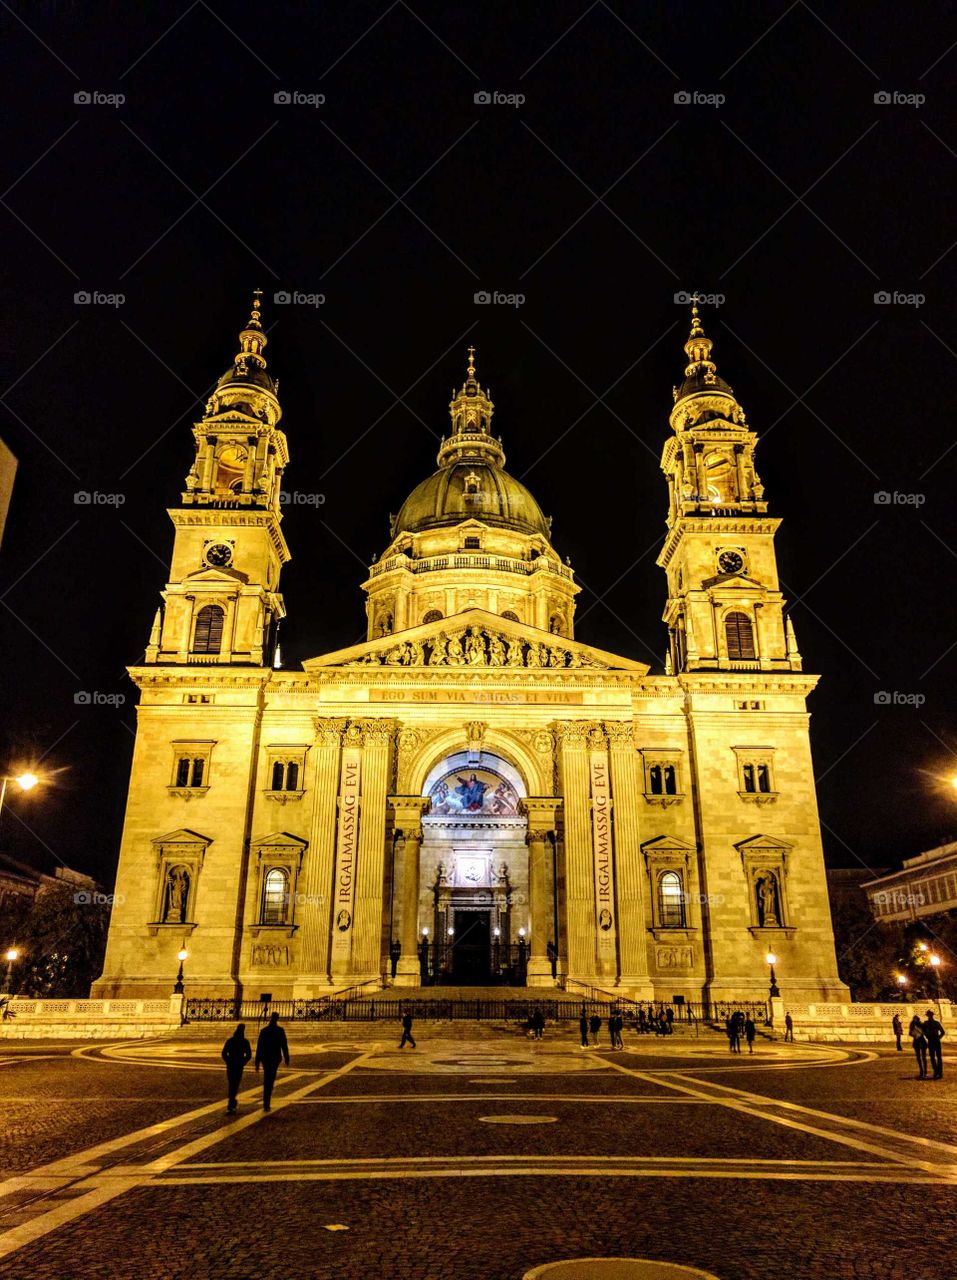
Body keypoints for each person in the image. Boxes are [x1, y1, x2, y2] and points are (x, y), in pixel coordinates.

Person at [255, 1012, 290, 1112]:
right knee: (271, 1078)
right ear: (277, 1019)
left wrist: (257, 1061)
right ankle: (267, 1102)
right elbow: (284, 1045)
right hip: (275, 1058)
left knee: (267, 1079)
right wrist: (286, 1057)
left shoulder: (264, 1030)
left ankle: (266, 1102)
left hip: (265, 1058)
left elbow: (259, 1047)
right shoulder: (280, 1030)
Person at [221, 1023, 251, 1114]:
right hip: (239, 1064)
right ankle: (232, 1102)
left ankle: (231, 1102)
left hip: (231, 1064)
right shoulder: (245, 1041)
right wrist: (244, 1061)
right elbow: (249, 1054)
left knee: (232, 1083)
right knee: (235, 1083)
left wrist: (228, 1060)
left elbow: (224, 1053)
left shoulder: (230, 1041)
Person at [923, 1010, 945, 1079]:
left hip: (933, 1041)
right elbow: (942, 1032)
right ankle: (938, 1072)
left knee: (935, 1057)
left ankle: (937, 1072)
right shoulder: (935, 1023)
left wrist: (927, 1035)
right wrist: (938, 1037)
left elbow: (943, 1032)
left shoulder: (927, 1023)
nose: (930, 1016)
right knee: (936, 1057)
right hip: (935, 1041)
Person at [909, 1013, 928, 1079]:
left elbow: (926, 1032)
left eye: (916, 1019)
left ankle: (924, 1071)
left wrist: (920, 1033)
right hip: (918, 1041)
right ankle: (922, 1071)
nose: (915, 1020)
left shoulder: (921, 1024)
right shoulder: (912, 1024)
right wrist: (914, 1034)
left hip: (921, 1041)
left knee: (923, 1057)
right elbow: (910, 1033)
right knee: (920, 1057)